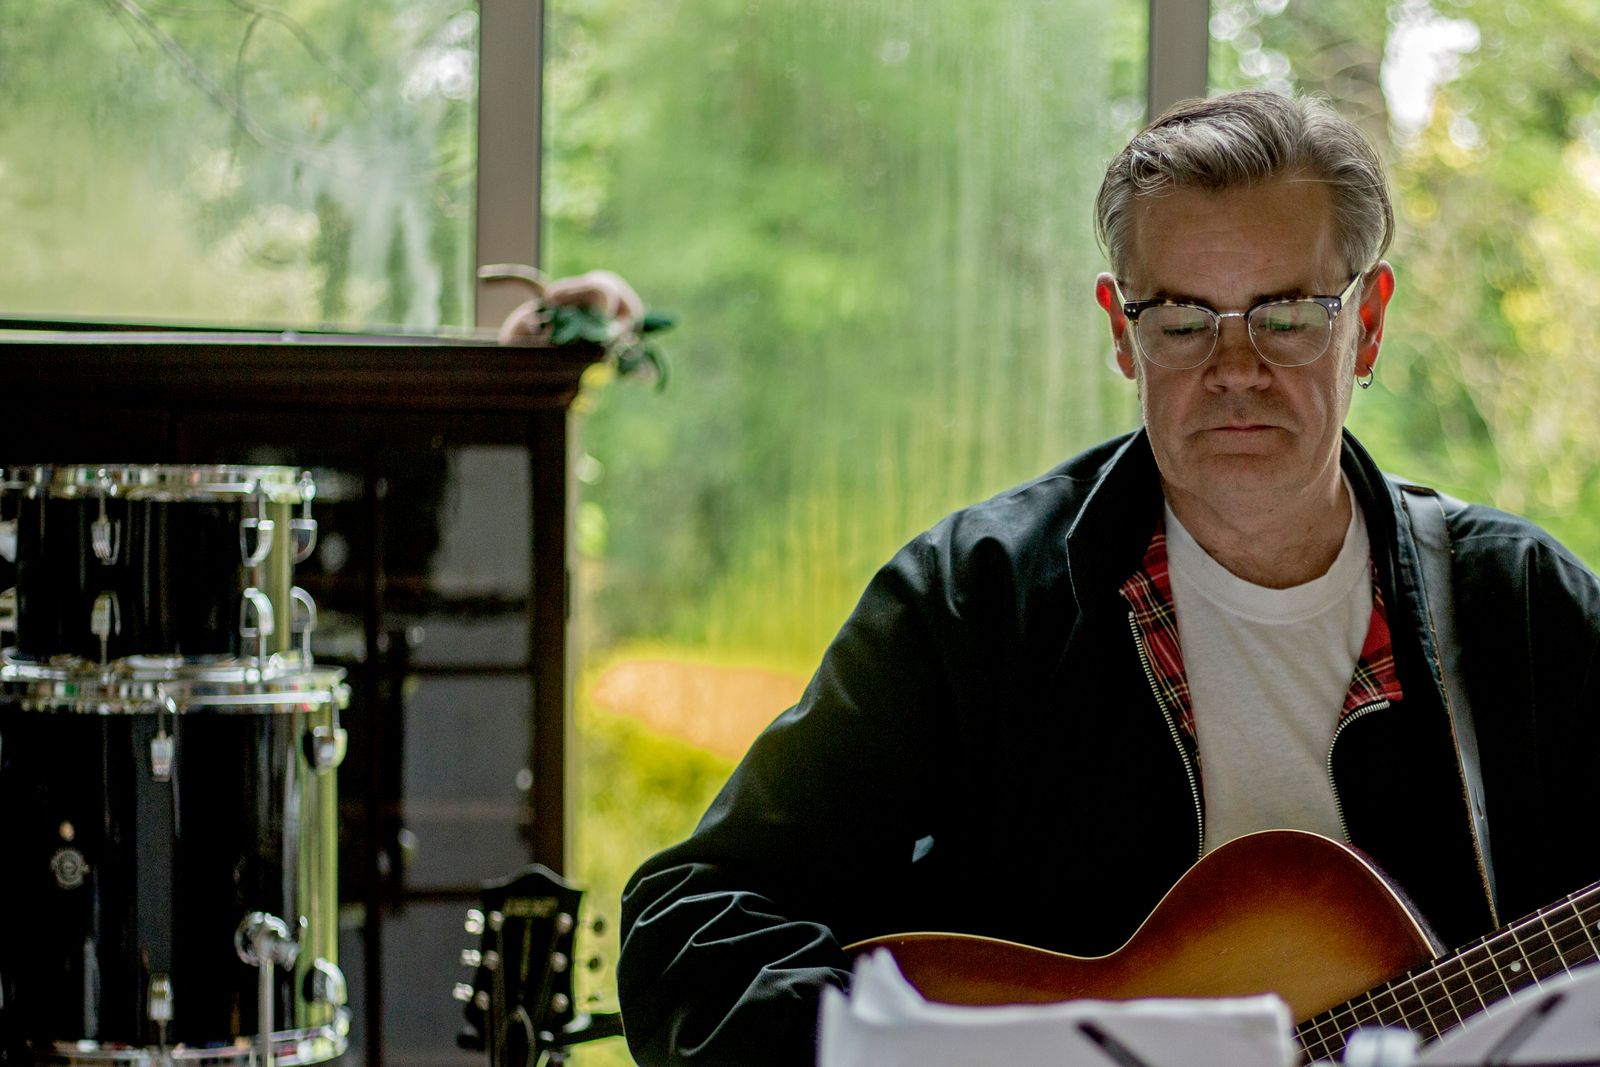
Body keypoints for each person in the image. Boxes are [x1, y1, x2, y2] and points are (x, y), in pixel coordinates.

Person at [615, 90, 1600, 1066]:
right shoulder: (974, 600)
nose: (1236, 368)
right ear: (1122, 334)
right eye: (1181, 321)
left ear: (1368, 324)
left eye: (1288, 317)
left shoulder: (1521, 609)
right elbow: (692, 923)